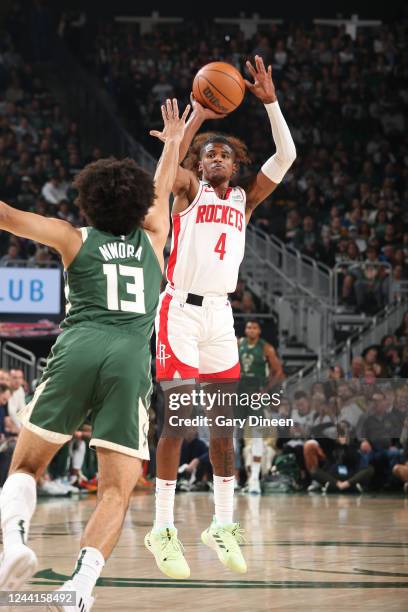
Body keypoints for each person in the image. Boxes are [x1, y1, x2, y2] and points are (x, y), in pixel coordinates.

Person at [0, 99, 189, 611]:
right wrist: (172, 143)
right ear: (137, 204)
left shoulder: (72, 237)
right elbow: (161, 195)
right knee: (114, 491)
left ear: (88, 202)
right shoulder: (154, 237)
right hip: (129, 359)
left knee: (26, 466)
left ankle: (14, 541)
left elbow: (8, 217)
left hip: (79, 347)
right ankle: (79, 590)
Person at [145, 56, 296, 578]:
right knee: (179, 419)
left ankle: (222, 522)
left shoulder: (246, 201)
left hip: (219, 316)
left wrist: (271, 103)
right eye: (209, 153)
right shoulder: (187, 191)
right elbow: (170, 166)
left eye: (222, 154)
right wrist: (195, 122)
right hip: (179, 310)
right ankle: (163, 527)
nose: (214, 157)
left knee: (223, 426)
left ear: (235, 166)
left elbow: (287, 154)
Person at [238, 320, 285, 494]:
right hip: (239, 390)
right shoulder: (238, 343)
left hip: (256, 392)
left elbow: (279, 371)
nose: (251, 330)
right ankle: (232, 479)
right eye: (248, 327)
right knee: (232, 432)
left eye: (254, 327)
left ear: (259, 331)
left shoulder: (266, 348)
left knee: (256, 434)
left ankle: (254, 478)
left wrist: (265, 390)